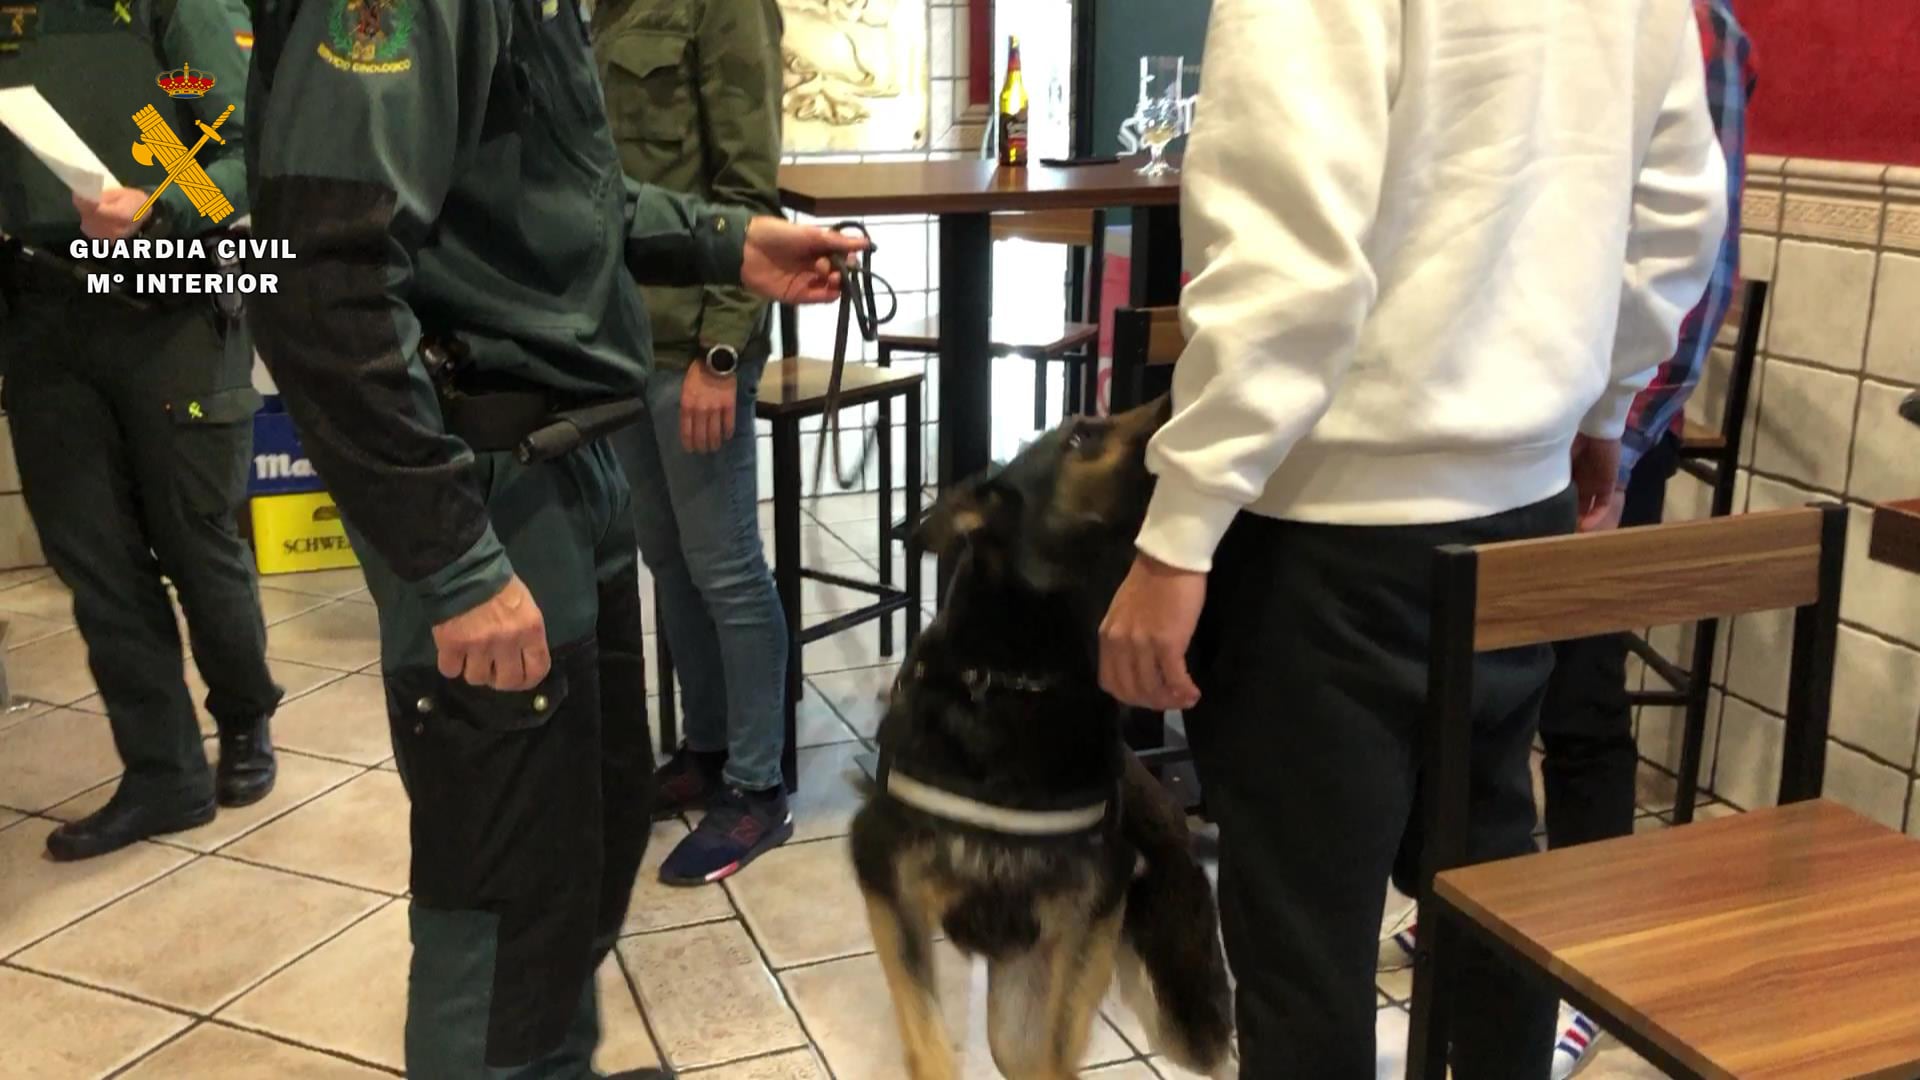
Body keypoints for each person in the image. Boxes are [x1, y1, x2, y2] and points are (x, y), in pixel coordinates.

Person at [1096, 0, 1728, 1075]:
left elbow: (1287, 253)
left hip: (1325, 527)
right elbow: (1678, 210)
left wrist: (1180, 531)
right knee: (1489, 912)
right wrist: (1602, 411)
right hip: (1520, 506)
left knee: (1307, 950)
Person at [241, 0, 862, 1074]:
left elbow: (553, 195)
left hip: (575, 468)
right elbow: (319, 282)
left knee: (588, 849)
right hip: (494, 492)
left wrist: (729, 238)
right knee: (506, 911)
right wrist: (453, 559)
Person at [0, 0, 282, 863]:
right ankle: (163, 771)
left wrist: (163, 201)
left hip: (168, 305)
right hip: (41, 315)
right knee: (95, 558)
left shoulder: (175, 12)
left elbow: (242, 155)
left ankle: (244, 720)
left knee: (195, 536)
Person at [1537, 3, 1754, 1073]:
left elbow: (1695, 258)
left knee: (1579, 690)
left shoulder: (1686, 25)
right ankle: (1489, 916)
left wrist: (1617, 431)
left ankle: (1584, 967)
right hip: (1524, 411)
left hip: (1600, 432)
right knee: (1479, 692)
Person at [592, 0, 793, 886]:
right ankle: (708, 751)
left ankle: (758, 785)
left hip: (690, 342)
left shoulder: (722, 6)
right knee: (668, 560)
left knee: (723, 564)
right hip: (621, 336)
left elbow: (747, 192)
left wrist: (721, 348)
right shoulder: (602, 10)